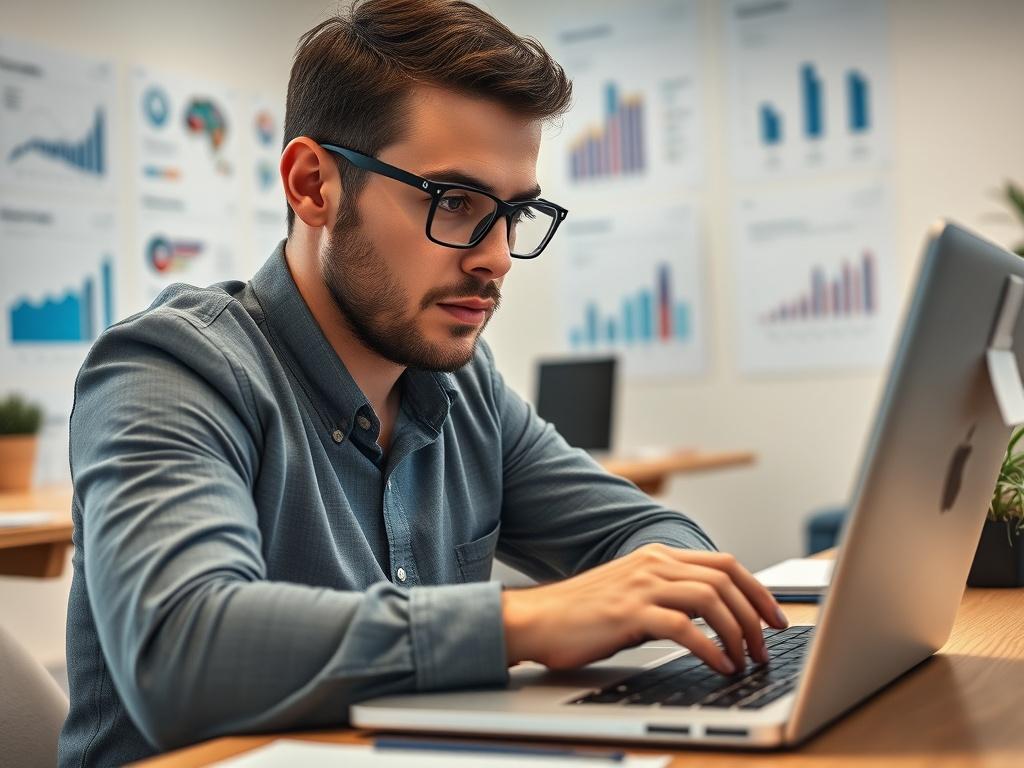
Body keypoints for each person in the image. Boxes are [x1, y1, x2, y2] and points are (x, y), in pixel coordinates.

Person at [58, 1, 787, 764]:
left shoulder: (462, 386)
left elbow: (653, 547)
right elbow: (179, 651)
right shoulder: (167, 370)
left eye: (515, 212)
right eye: (456, 202)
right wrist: (523, 623)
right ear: (314, 186)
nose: (497, 257)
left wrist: (652, 590)